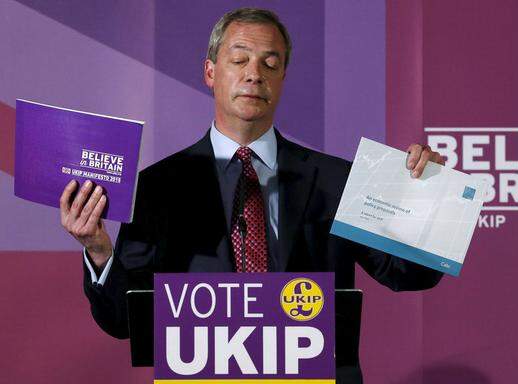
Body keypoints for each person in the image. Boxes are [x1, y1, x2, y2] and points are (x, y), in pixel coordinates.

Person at [59, 7, 445, 382]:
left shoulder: (339, 179)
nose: (254, 75)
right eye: (239, 60)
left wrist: (426, 196)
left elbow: (409, 274)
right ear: (210, 72)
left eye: (270, 64)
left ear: (282, 78)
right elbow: (122, 321)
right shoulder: (157, 187)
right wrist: (98, 250)